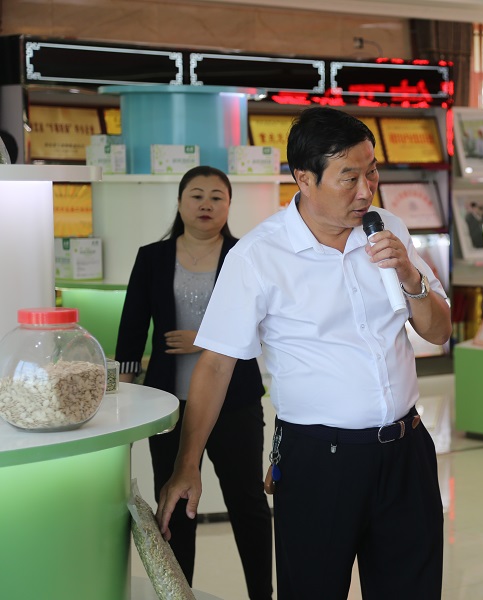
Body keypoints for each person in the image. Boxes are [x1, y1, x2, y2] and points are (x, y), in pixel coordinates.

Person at [156, 106, 451, 599]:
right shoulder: (259, 255)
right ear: (304, 179)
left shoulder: (388, 228)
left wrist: (409, 274)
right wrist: (188, 464)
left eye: (372, 172)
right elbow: (216, 363)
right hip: (319, 462)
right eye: (349, 177)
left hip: (407, 452)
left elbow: (438, 331)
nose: (366, 190)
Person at [115, 166, 273, 599]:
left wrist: (203, 340)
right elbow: (132, 330)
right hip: (168, 405)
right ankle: (179, 593)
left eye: (217, 197)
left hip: (234, 403)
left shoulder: (245, 255)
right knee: (175, 506)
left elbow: (267, 326)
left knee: (248, 504)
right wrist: (121, 400)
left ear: (229, 205)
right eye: (197, 195)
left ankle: (262, 593)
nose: (206, 204)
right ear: (180, 202)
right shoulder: (152, 257)